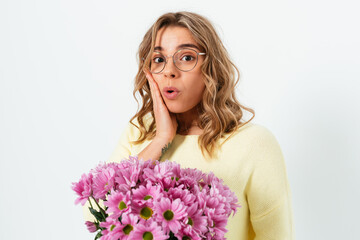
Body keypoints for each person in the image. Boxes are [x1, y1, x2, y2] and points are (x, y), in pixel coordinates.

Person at [83, 11, 295, 240]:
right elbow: (97, 215)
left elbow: (277, 236)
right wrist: (162, 139)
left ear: (211, 67)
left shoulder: (254, 144)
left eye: (186, 57)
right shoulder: (139, 131)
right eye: (159, 59)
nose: (169, 71)